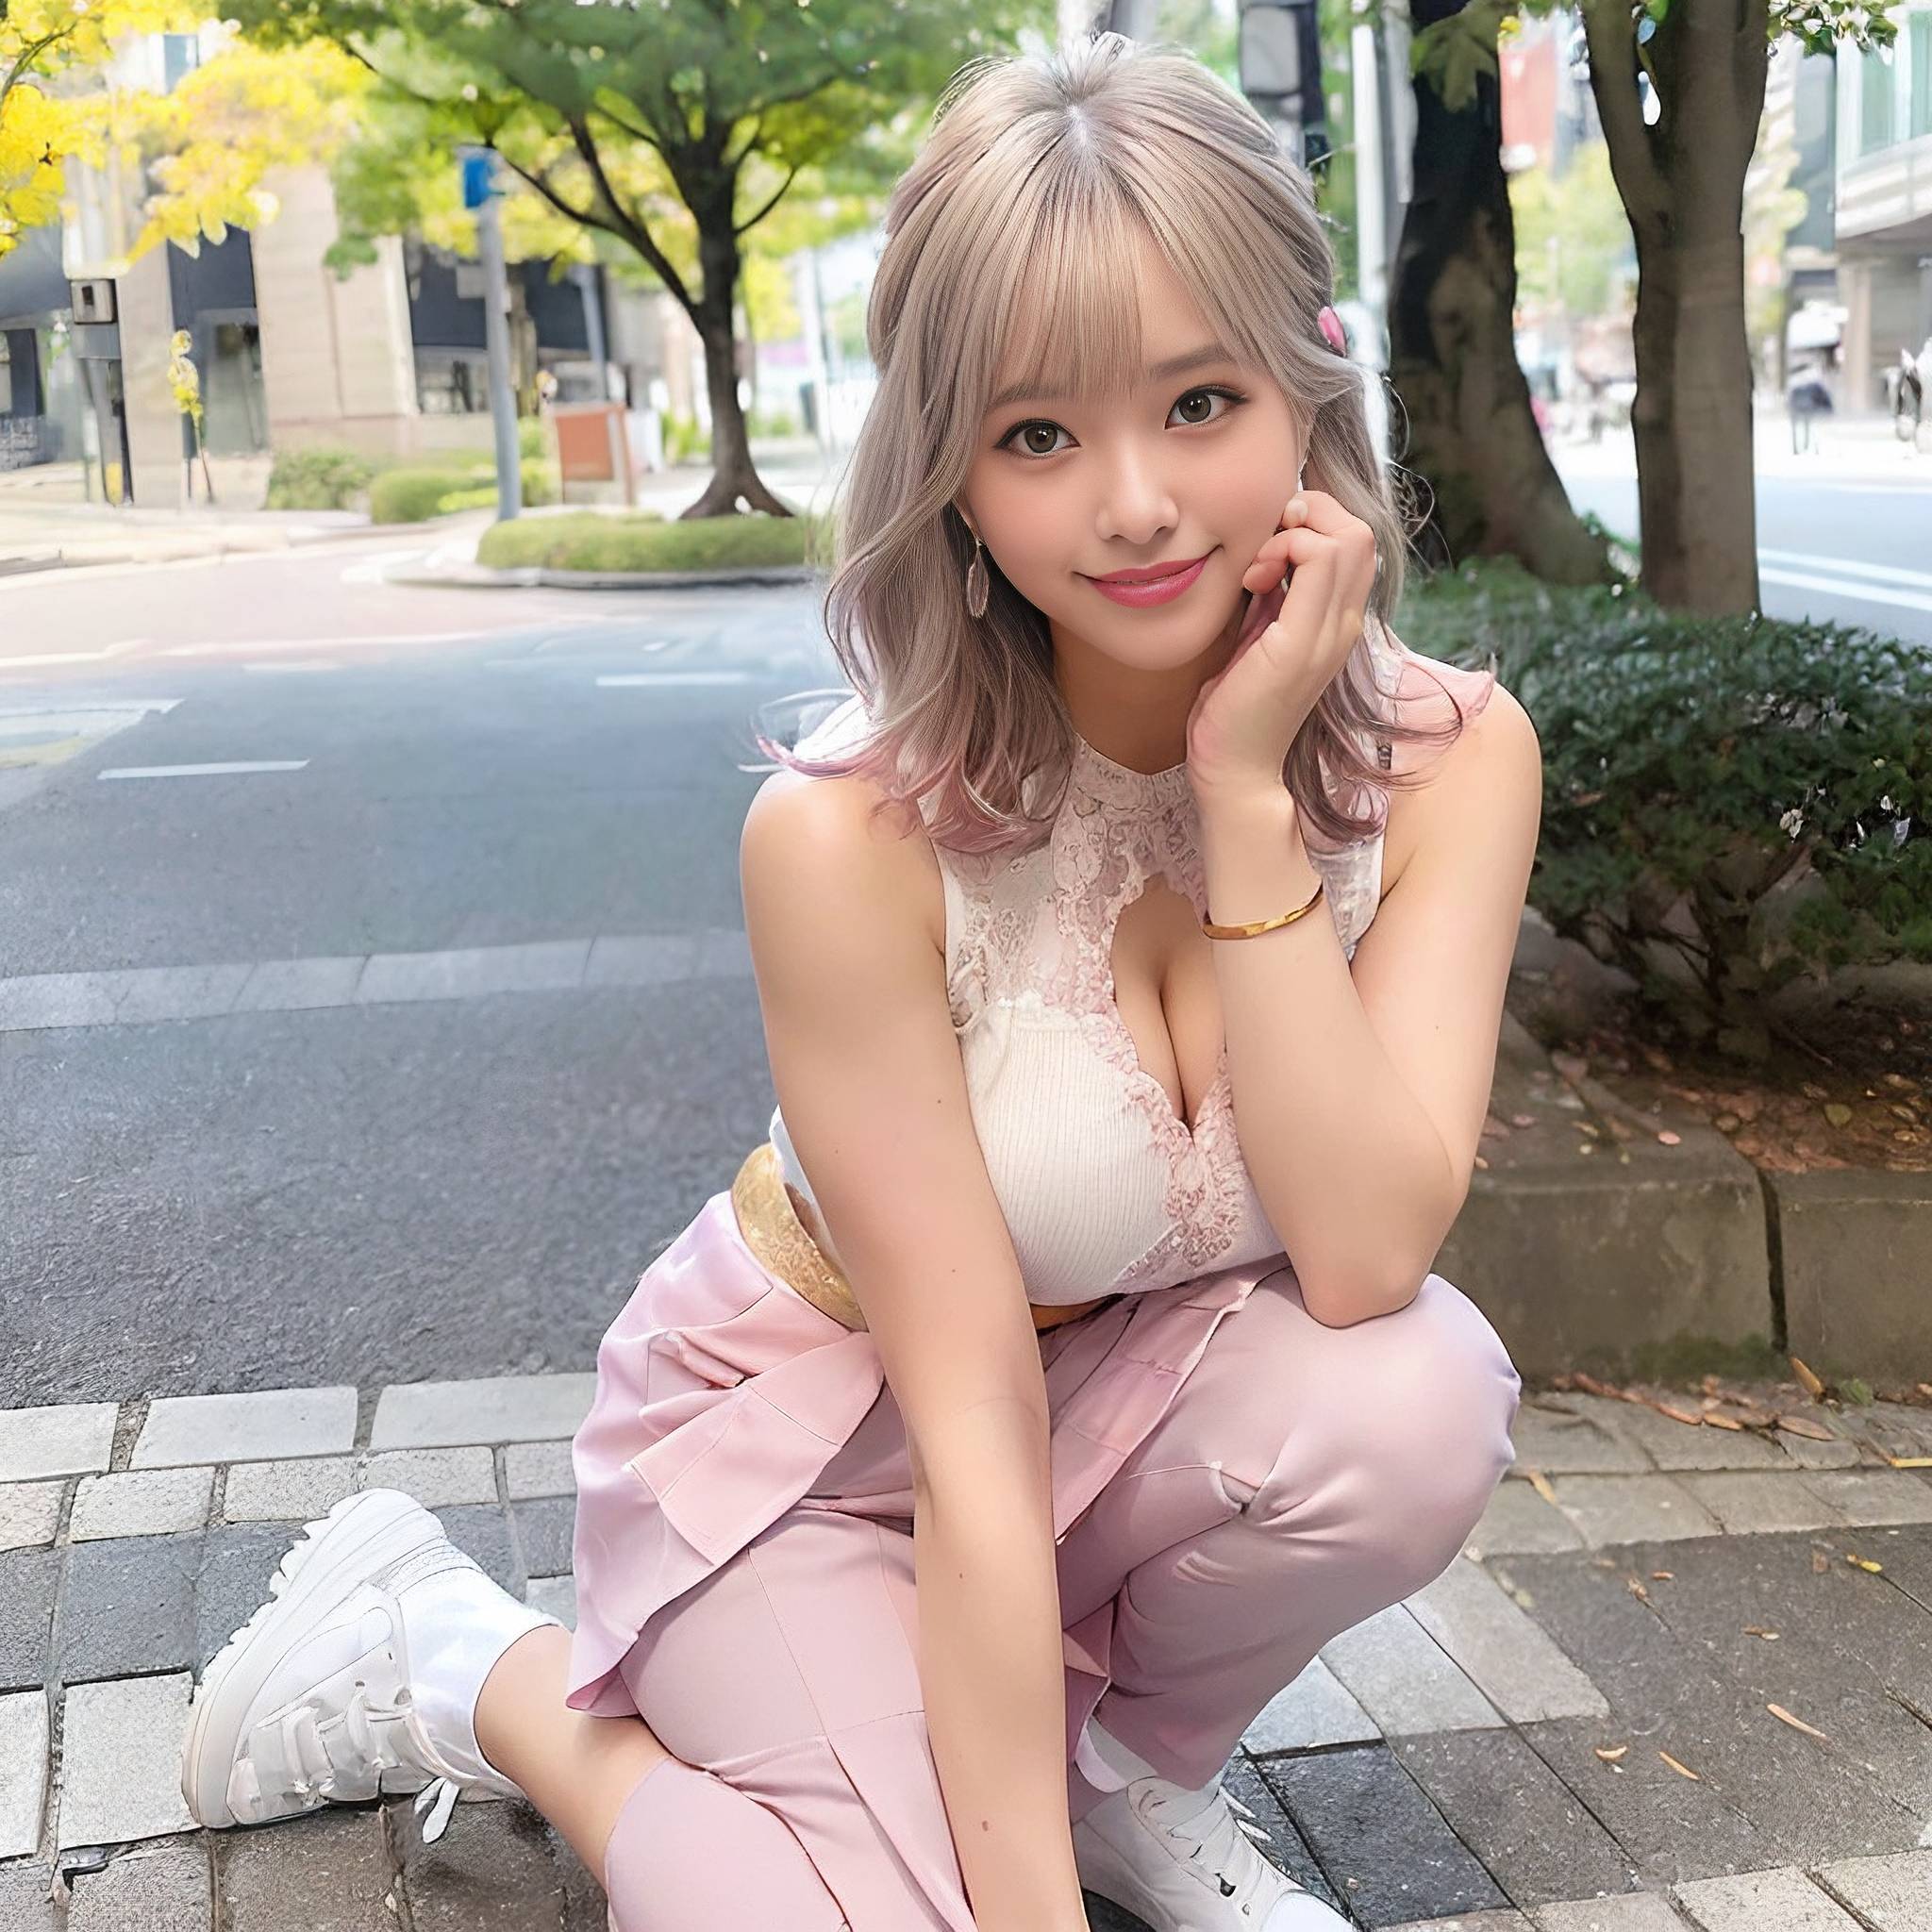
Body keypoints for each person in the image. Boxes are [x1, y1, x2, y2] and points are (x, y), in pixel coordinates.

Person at [178, 34, 1537, 1932]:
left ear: (1305, 397)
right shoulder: (851, 841)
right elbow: (969, 1430)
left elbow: (1367, 1256)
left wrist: (1242, 798)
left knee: (1412, 1399)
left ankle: (1116, 1782)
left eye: (1202, 400)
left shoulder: (1447, 759)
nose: (1135, 503)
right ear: (955, 478)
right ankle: (465, 1661)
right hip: (807, 1443)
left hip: (1128, 1400)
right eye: (1038, 434)